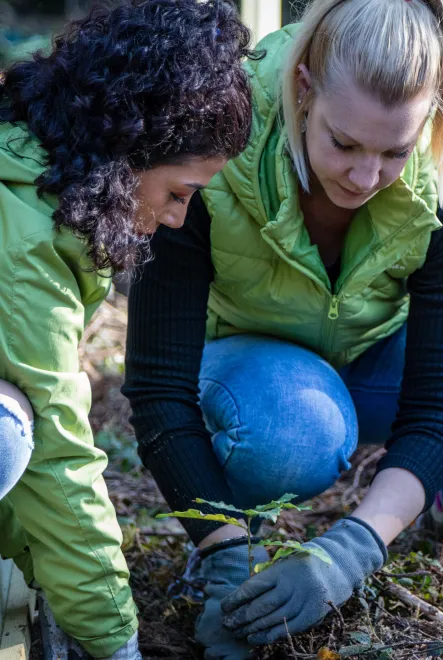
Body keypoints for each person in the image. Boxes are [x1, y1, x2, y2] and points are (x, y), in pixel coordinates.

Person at [123, 0, 443, 656]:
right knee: (292, 434)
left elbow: (440, 403)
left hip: (372, 355)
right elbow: (158, 388)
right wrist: (225, 559)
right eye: (343, 142)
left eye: (394, 151)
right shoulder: (210, 154)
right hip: (251, 370)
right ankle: (230, 533)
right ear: (302, 91)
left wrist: (352, 550)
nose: (364, 176)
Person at [0, 1, 257, 657]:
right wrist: (116, 641)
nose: (178, 218)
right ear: (129, 151)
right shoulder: (22, 243)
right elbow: (52, 457)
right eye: (179, 191)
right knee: (8, 430)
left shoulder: (34, 187)